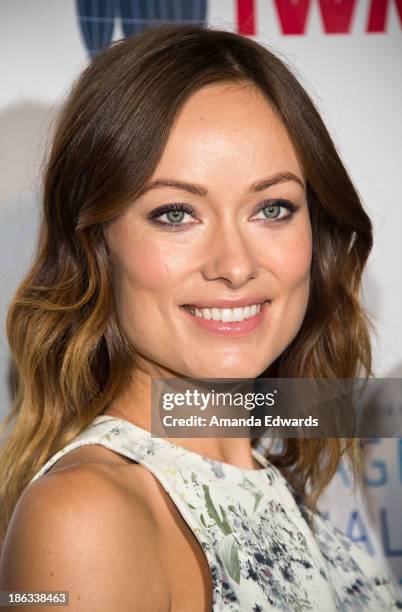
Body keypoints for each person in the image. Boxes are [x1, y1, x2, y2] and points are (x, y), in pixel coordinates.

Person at [0, 24, 400, 611]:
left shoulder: (279, 483)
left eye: (272, 208)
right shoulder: (84, 520)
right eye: (175, 214)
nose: (235, 266)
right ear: (96, 245)